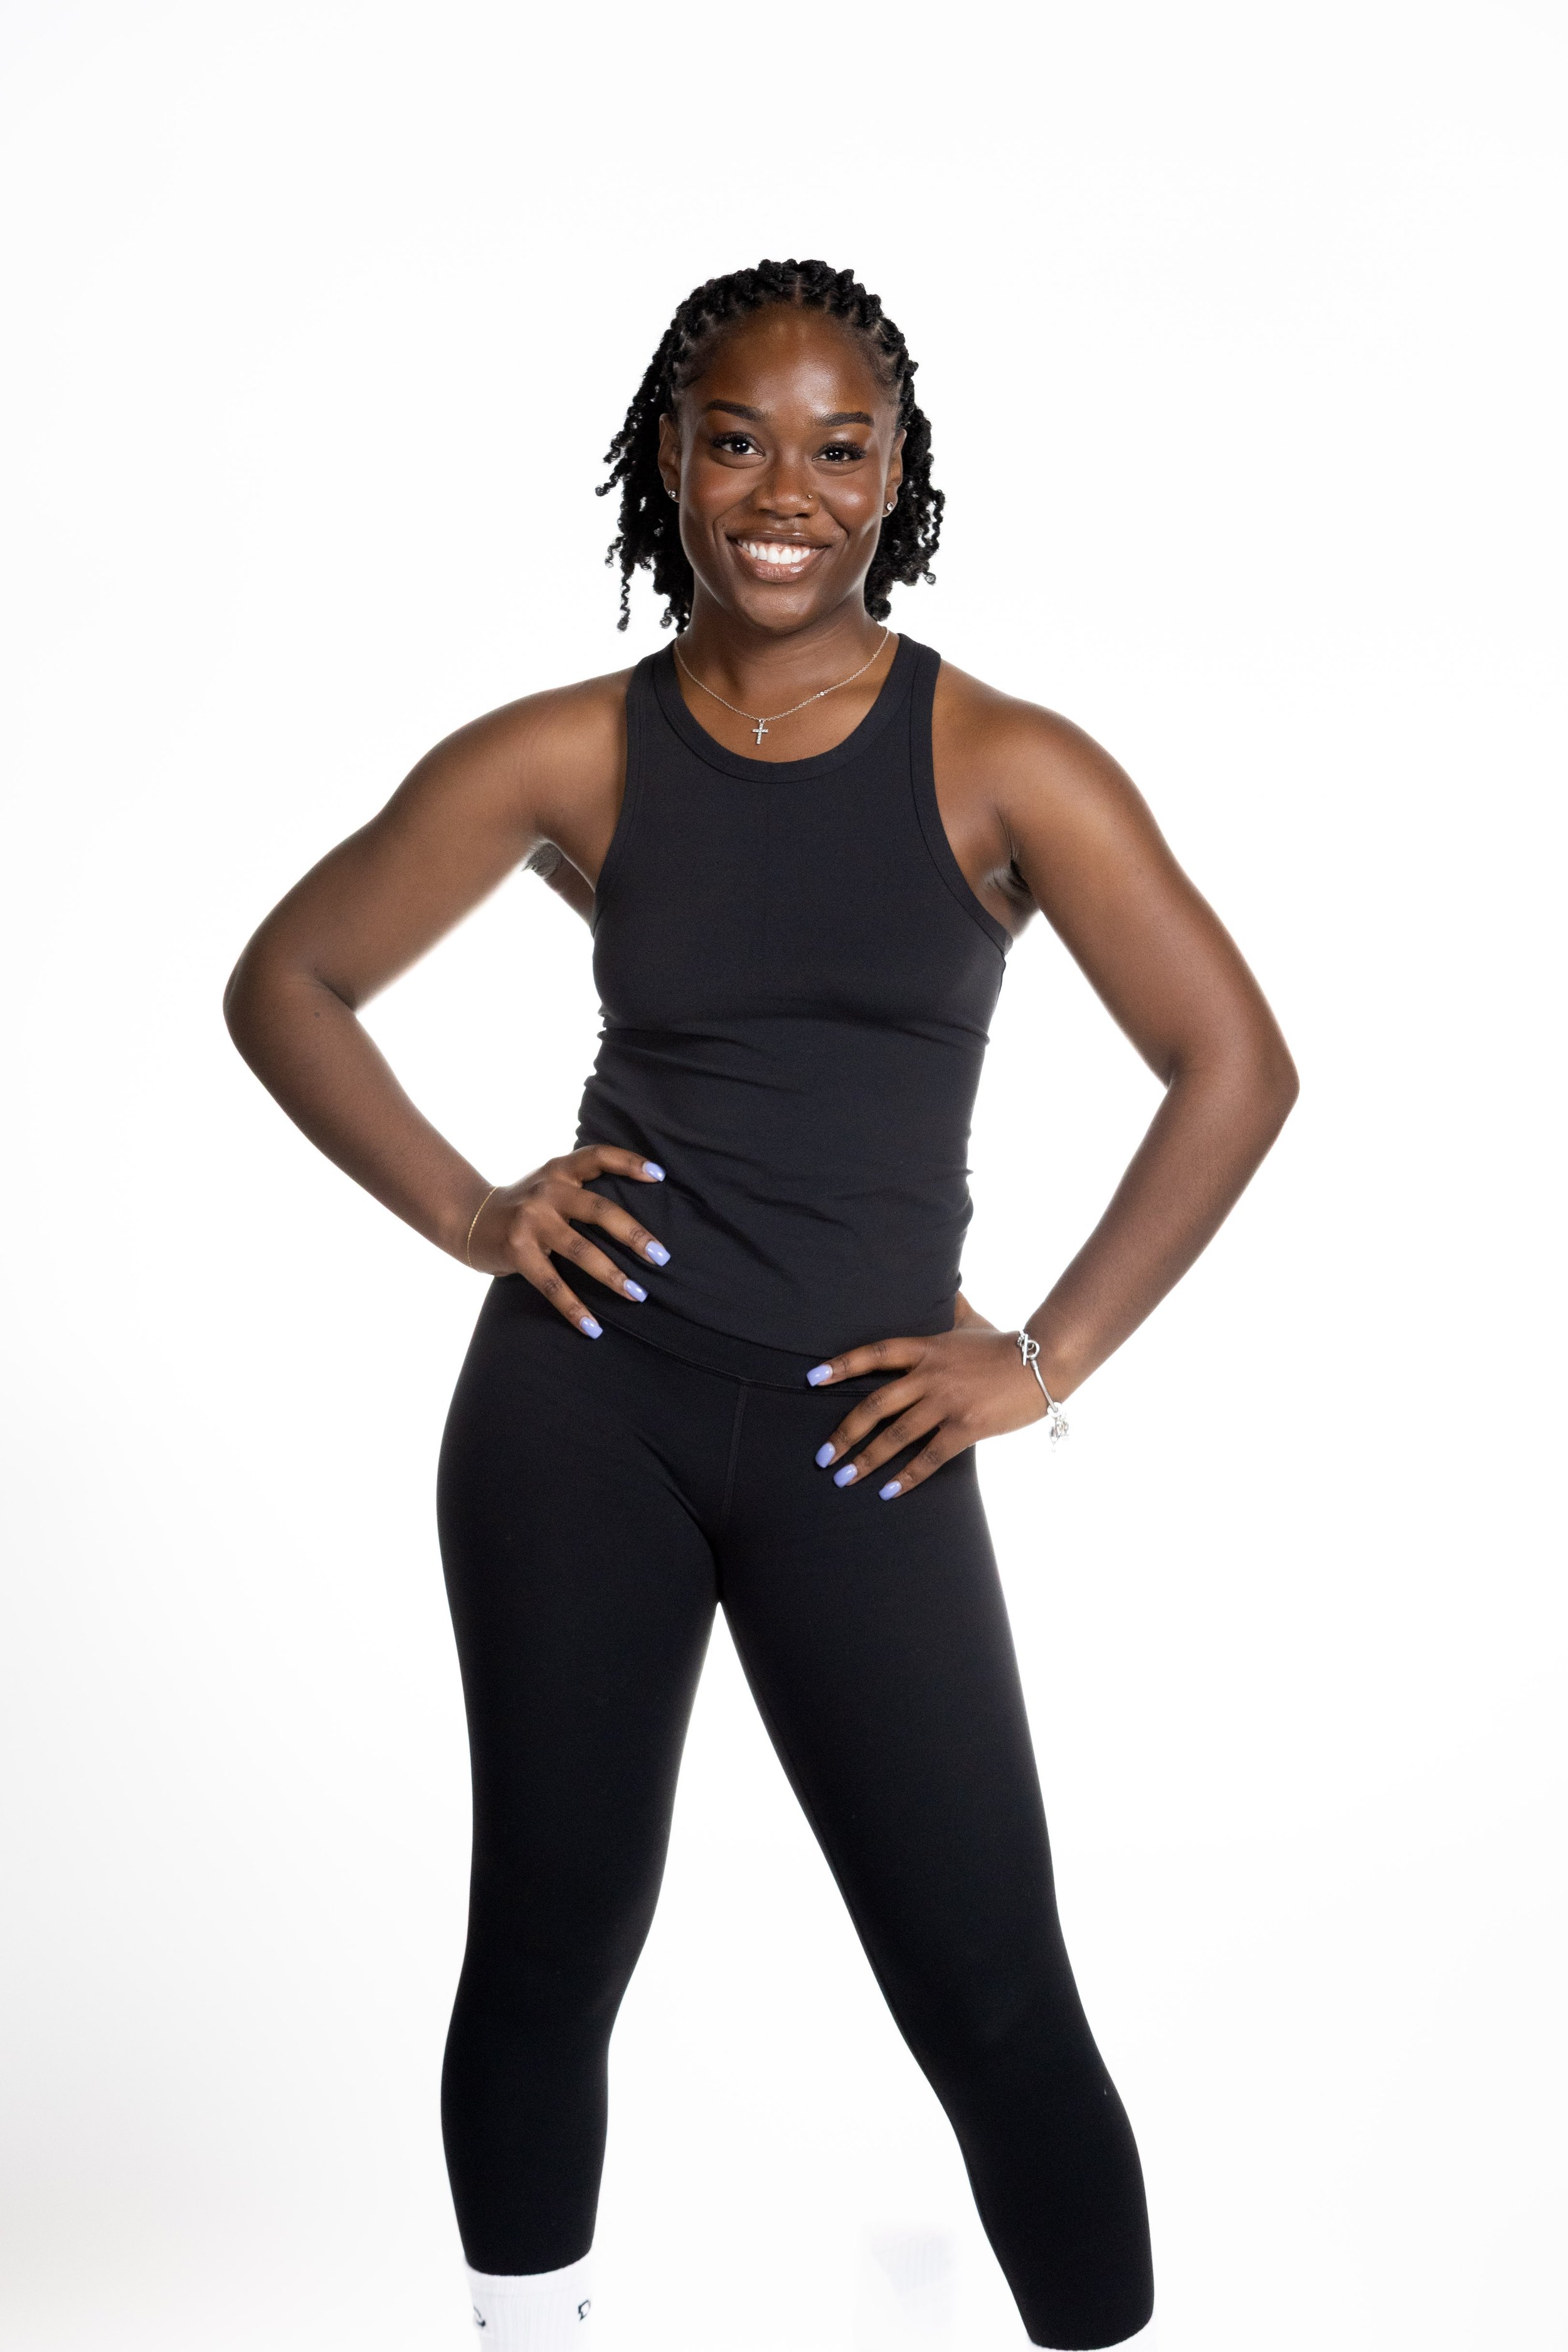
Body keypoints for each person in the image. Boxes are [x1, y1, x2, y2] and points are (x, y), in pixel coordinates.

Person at [224, 257, 1298, 2352]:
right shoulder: (570, 751)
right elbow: (290, 983)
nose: (783, 491)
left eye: (836, 448)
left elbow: (1233, 1067)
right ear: (670, 461)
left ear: (896, 478)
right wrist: (472, 1210)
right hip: (579, 1414)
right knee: (550, 1940)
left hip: (863, 1436)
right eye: (736, 442)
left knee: (989, 1988)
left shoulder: (1005, 763)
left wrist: (1044, 1360)